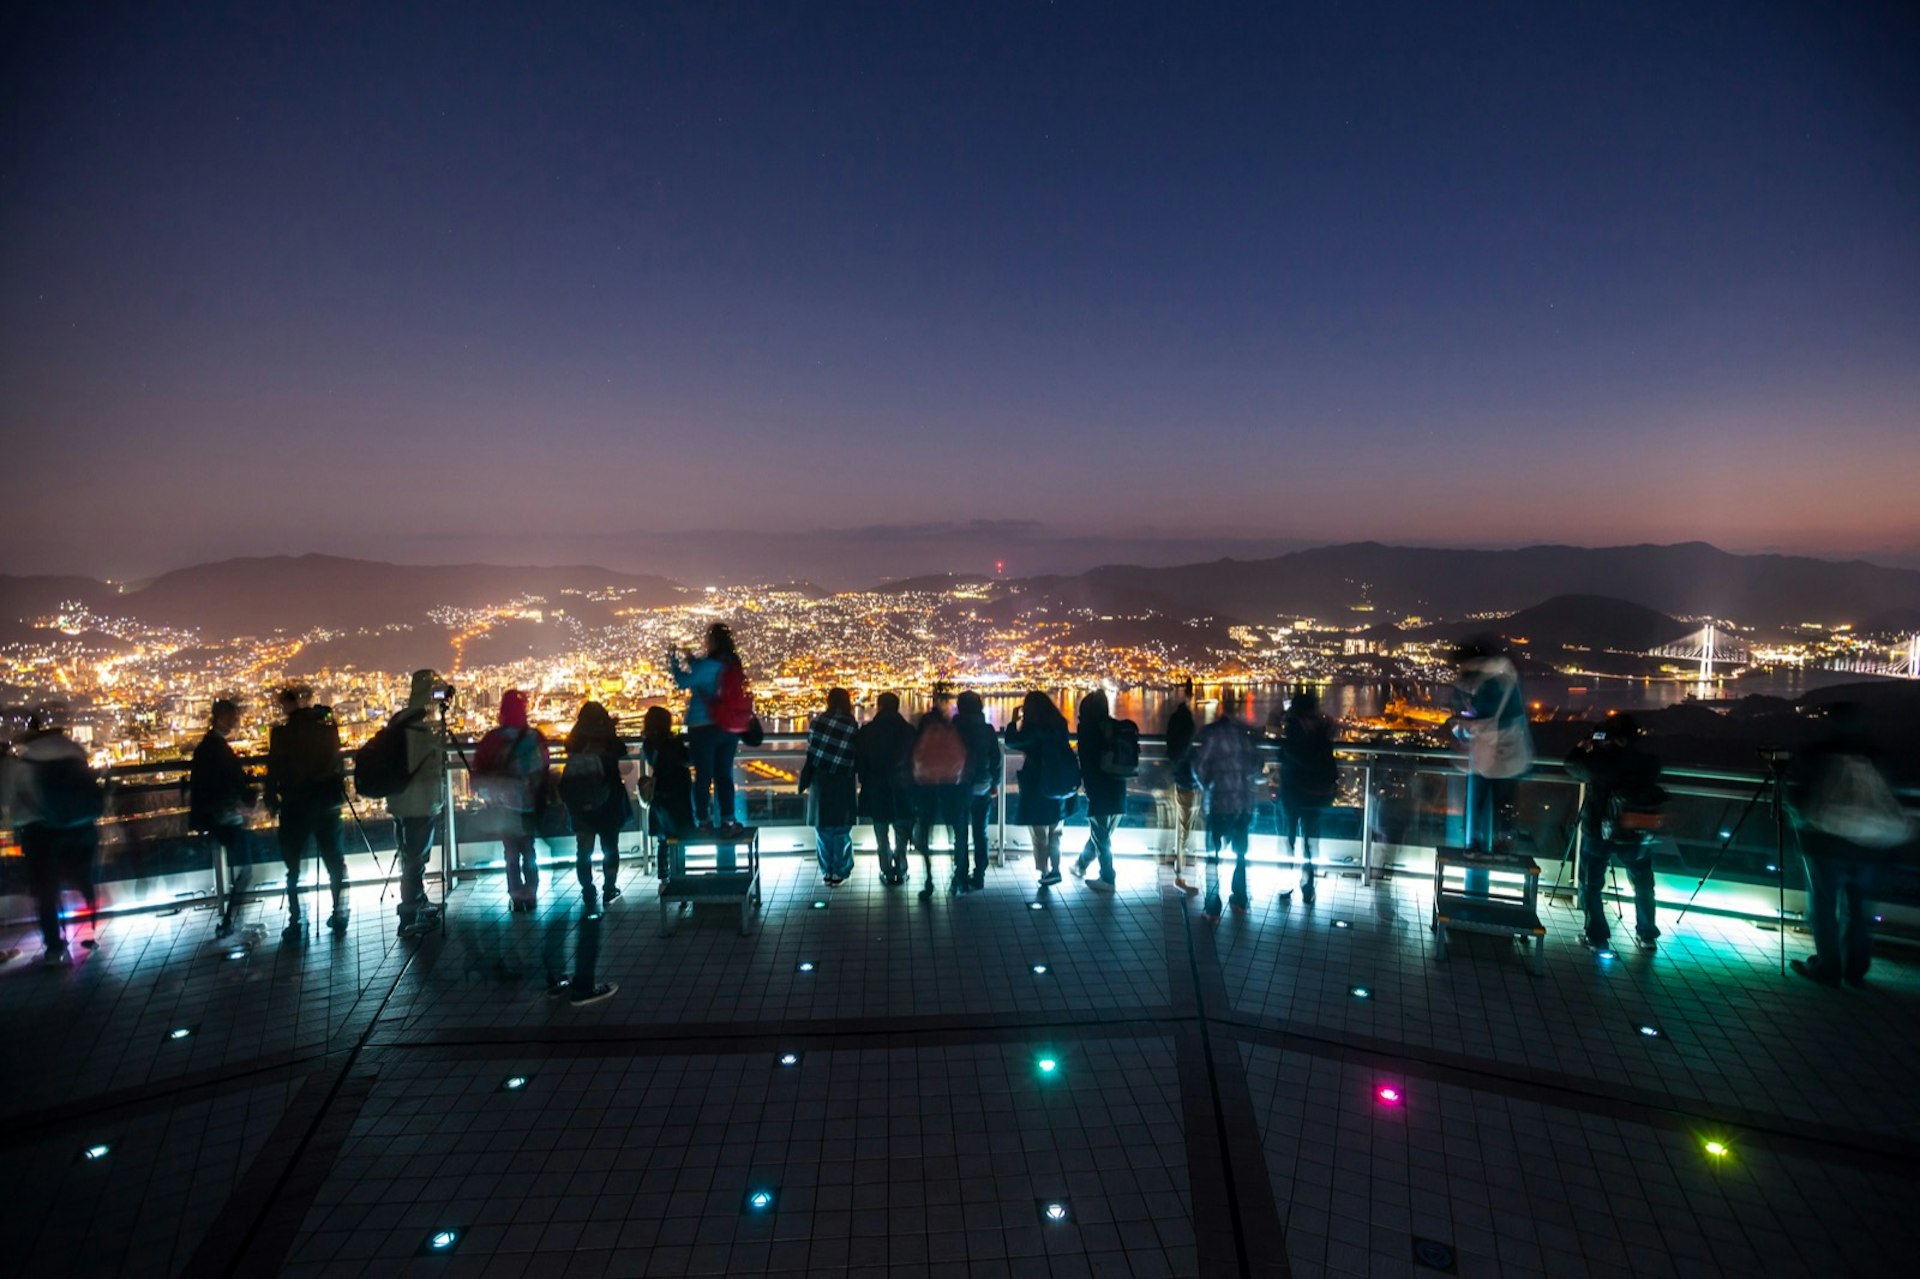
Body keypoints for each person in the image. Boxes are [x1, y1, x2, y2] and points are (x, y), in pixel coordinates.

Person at [1787, 703, 1912, 988]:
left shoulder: (1819, 753)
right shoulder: (1876, 755)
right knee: (1859, 910)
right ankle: (1855, 970)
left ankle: (1828, 968)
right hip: (1871, 846)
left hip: (1826, 844)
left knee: (1823, 906)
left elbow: (1801, 794)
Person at [2, 709, 102, 963]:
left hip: (41, 832)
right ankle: (91, 926)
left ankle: (54, 945)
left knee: (46, 889)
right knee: (81, 876)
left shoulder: (26, 761)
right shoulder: (75, 750)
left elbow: (13, 802)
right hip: (80, 829)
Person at [1564, 714, 1666, 950]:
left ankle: (1597, 936)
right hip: (1636, 832)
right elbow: (1654, 768)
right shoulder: (1647, 762)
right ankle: (1647, 934)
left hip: (1599, 830)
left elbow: (1571, 765)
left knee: (1591, 885)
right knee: (1642, 884)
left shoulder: (1601, 761)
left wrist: (1584, 748)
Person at [265, 685, 350, 936]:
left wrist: (271, 799)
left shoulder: (281, 734)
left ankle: (297, 919)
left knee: (294, 867)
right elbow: (337, 761)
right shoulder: (326, 729)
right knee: (335, 861)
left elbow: (274, 768)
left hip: (294, 804)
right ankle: (340, 912)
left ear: (289, 704)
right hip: (327, 803)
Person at [1450, 636, 1534, 854]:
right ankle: (1502, 842)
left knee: (1478, 802)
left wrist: (1461, 725)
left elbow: (1486, 721)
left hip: (1490, 757)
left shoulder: (1491, 685)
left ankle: (1476, 843)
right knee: (1503, 804)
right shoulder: (1506, 678)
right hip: (1509, 759)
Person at [473, 689, 550, 915]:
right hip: (529, 803)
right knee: (529, 849)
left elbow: (479, 770)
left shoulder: (492, 740)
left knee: (511, 852)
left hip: (503, 805)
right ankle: (532, 894)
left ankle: (516, 897)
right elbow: (544, 764)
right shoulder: (534, 737)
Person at [670, 622, 748, 835]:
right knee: (724, 775)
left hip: (702, 726)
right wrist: (693, 660)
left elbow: (683, 681)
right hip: (728, 727)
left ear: (712, 641)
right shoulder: (733, 664)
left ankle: (703, 820)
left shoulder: (706, 665)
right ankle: (728, 821)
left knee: (703, 776)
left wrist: (674, 662)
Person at [386, 671, 448, 937]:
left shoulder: (398, 724)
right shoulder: (424, 730)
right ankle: (410, 913)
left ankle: (415, 903)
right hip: (421, 803)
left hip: (399, 800)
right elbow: (435, 762)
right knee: (415, 859)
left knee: (407, 856)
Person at [190, 698, 257, 937]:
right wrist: (243, 803)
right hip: (227, 818)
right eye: (232, 717)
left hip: (215, 817)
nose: (235, 722)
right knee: (245, 869)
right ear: (219, 717)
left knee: (236, 868)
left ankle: (229, 920)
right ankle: (230, 922)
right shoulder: (217, 750)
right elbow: (227, 784)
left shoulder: (205, 748)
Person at [1193, 690, 1262, 918]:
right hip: (1242, 802)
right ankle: (1240, 900)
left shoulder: (1210, 734)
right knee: (1240, 853)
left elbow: (1199, 767)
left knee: (1213, 854)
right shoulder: (1246, 735)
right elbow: (1256, 766)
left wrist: (1208, 786)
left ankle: (1212, 907)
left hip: (1218, 802)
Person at [562, 700, 632, 916]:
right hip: (609, 800)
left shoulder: (573, 740)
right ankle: (609, 889)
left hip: (580, 803)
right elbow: (628, 767)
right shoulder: (610, 740)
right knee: (610, 847)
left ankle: (587, 890)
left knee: (584, 850)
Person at [1006, 690, 1076, 887]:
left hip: (1038, 787)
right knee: (1056, 830)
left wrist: (1013, 720)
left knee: (1039, 833)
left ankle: (1045, 872)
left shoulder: (1034, 730)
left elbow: (1012, 741)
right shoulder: (1059, 724)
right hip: (1060, 785)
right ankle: (1056, 868)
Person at [1275, 688, 1337, 905]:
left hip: (1293, 794)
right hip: (1315, 797)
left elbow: (1286, 754)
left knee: (1287, 839)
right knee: (1310, 842)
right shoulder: (1322, 731)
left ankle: (1285, 885)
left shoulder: (1295, 730)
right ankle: (1308, 886)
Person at [911, 686, 969, 898]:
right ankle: (957, 879)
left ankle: (929, 880)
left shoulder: (922, 732)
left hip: (926, 788)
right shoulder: (951, 730)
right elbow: (961, 756)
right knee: (957, 833)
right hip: (951, 788)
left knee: (924, 834)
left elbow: (914, 758)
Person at [798, 688, 860, 885]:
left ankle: (827, 871)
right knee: (841, 829)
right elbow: (854, 751)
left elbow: (812, 747)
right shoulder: (850, 724)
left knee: (823, 828)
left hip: (820, 779)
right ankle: (840, 871)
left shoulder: (817, 721)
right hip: (842, 779)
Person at [855, 691, 917, 885]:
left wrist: (865, 780)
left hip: (876, 788)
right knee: (902, 830)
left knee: (881, 832)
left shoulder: (867, 731)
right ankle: (901, 866)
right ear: (897, 707)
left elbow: (860, 761)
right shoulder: (909, 731)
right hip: (903, 788)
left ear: (879, 707)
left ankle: (887, 871)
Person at [1070, 689, 1124, 891]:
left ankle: (1108, 877)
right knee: (1102, 833)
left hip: (1099, 788)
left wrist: (1083, 784)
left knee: (1101, 834)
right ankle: (1081, 865)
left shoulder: (1087, 728)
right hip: (1119, 784)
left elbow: (1086, 761)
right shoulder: (1113, 726)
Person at [954, 690, 1003, 891]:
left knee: (960, 833)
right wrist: (995, 784)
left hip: (958, 787)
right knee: (980, 832)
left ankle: (961, 874)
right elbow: (996, 760)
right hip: (982, 786)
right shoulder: (988, 730)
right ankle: (980, 873)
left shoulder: (953, 729)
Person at [639, 705, 695, 858]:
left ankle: (664, 876)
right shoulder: (670, 744)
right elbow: (687, 759)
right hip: (677, 792)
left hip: (658, 792)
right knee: (680, 835)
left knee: (663, 839)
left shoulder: (648, 743)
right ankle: (679, 871)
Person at [1165, 679, 1200, 895]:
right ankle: (1180, 874)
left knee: (1183, 827)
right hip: (1188, 784)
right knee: (1184, 829)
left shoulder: (1175, 732)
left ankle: (1181, 869)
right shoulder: (1186, 738)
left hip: (1182, 782)